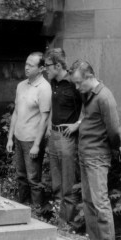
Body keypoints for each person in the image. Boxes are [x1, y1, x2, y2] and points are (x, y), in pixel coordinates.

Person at [71, 61, 120, 240]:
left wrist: (115, 149)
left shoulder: (105, 97)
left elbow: (114, 130)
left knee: (100, 201)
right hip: (85, 153)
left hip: (98, 156)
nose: (76, 87)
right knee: (88, 200)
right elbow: (88, 118)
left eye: (78, 82)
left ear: (90, 77)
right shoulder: (87, 95)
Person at [6, 52, 51, 211]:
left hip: (32, 139)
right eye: (26, 64)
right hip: (19, 136)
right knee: (20, 175)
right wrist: (10, 138)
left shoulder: (44, 88)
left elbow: (44, 119)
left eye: (31, 65)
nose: (26, 68)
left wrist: (37, 145)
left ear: (41, 69)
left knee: (33, 177)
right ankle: (21, 206)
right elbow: (16, 113)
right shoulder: (21, 85)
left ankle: (37, 209)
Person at [45, 48, 82, 227]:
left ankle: (69, 224)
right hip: (54, 135)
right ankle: (58, 221)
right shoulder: (53, 83)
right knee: (56, 182)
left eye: (48, 66)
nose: (46, 69)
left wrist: (78, 123)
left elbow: (92, 106)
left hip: (68, 138)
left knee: (68, 183)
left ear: (58, 65)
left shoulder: (75, 83)